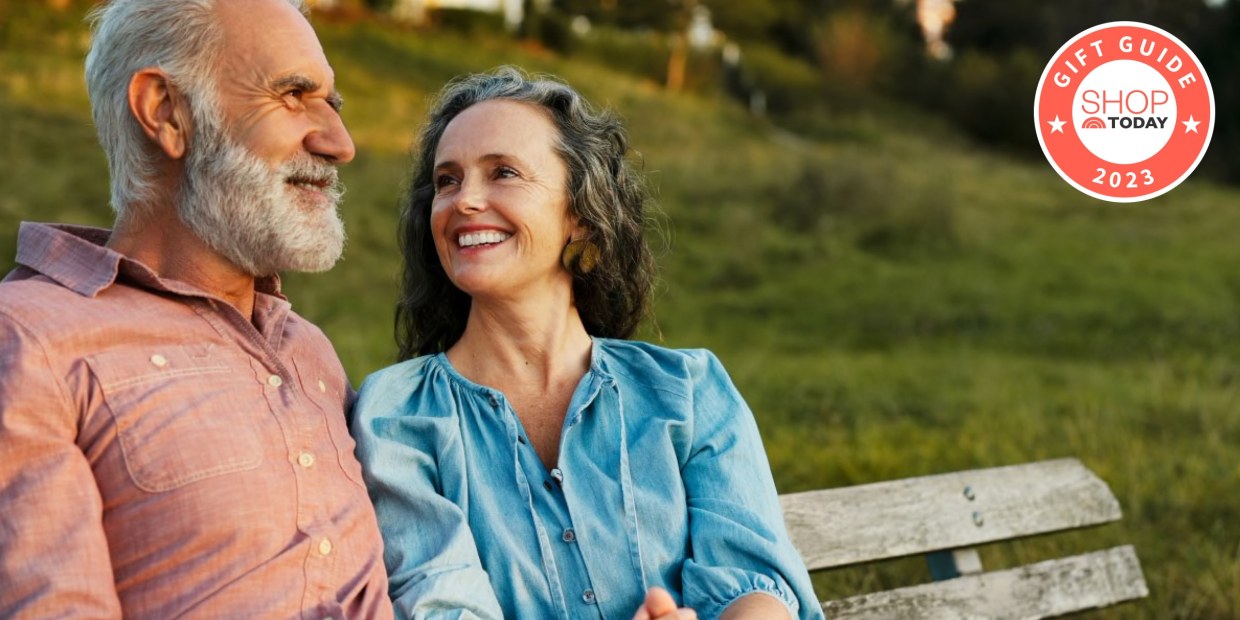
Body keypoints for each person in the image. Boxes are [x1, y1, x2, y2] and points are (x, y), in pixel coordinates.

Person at [352, 67, 822, 620]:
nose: (464, 201)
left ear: (579, 214)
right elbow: (442, 605)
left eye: (502, 172)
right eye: (448, 180)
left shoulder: (689, 391)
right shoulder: (396, 415)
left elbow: (758, 584)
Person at [0, 0, 393, 617]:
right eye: (293, 94)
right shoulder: (29, 339)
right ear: (167, 112)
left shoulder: (309, 349)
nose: (338, 142)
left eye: (333, 104)